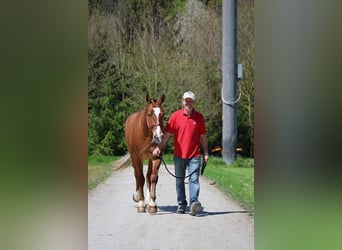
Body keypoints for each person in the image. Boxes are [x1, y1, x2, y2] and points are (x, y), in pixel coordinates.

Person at [152, 91, 209, 216]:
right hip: (179, 156)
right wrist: (158, 148)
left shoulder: (199, 118)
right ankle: (182, 204)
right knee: (179, 181)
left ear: (194, 102)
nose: (188, 103)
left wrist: (206, 152)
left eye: (191, 101)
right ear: (182, 101)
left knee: (194, 180)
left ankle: (194, 203)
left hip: (194, 156)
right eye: (186, 100)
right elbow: (166, 136)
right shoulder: (175, 116)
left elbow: (203, 137)